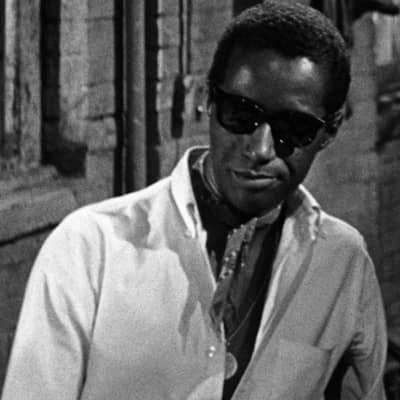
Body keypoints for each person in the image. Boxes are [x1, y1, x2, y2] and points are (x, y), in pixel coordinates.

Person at [1, 1, 387, 399]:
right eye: (241, 114)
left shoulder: (342, 261)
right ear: (209, 99)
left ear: (329, 132)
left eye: (294, 128)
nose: (260, 148)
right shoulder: (90, 248)